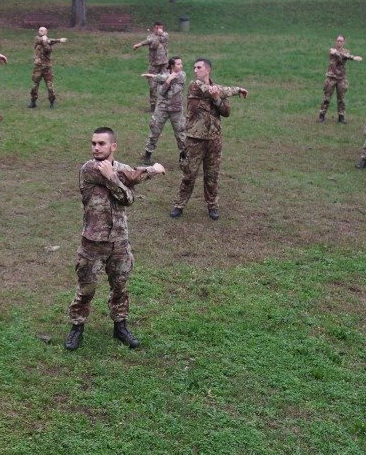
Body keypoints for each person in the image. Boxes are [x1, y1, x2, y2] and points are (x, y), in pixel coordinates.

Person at [65, 127, 166, 352]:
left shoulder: (118, 169)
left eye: (101, 143)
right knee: (87, 289)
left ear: (113, 146)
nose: (96, 148)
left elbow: (129, 183)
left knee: (120, 286)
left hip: (119, 241)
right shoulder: (90, 168)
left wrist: (122, 178)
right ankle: (76, 327)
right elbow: (128, 188)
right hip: (93, 243)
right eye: (93, 143)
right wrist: (152, 170)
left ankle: (120, 327)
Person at [171, 58, 247, 221]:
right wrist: (237, 89)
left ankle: (212, 205)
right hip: (195, 139)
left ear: (208, 70)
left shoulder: (217, 90)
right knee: (189, 175)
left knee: (212, 175)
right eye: (194, 67)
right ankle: (179, 205)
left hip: (214, 139)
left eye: (199, 67)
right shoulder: (194, 85)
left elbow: (226, 111)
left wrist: (218, 99)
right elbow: (211, 91)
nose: (195, 70)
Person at [142, 56, 185, 164]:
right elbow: (161, 82)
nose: (181, 66)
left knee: (181, 133)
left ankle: (183, 156)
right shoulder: (166, 75)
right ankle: (147, 154)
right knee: (154, 131)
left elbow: (168, 92)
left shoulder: (182, 75)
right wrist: (157, 77)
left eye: (181, 64)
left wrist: (166, 81)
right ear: (171, 66)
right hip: (162, 109)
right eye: (178, 64)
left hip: (176, 109)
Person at [317, 35, 363, 123]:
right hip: (331, 77)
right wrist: (353, 58)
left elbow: (343, 57)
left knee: (341, 99)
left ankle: (341, 117)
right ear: (335, 41)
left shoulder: (346, 51)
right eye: (338, 41)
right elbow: (339, 55)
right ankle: (321, 115)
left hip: (341, 78)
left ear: (344, 42)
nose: (339, 42)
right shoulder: (332, 50)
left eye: (341, 41)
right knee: (326, 98)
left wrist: (348, 56)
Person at [131, 21, 170, 109]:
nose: (159, 30)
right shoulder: (151, 37)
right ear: (154, 28)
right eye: (157, 28)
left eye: (161, 28)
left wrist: (161, 34)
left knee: (166, 83)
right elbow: (149, 41)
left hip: (164, 64)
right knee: (153, 86)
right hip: (154, 65)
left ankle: (166, 105)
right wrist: (139, 44)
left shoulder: (165, 35)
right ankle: (153, 106)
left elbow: (165, 38)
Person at [28, 26, 68, 108]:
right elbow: (43, 42)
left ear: (46, 32)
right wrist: (46, 40)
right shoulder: (37, 39)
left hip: (47, 68)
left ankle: (52, 102)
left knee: (50, 86)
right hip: (38, 67)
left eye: (42, 31)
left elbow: (48, 49)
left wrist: (59, 40)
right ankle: (33, 102)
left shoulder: (47, 41)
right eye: (39, 30)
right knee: (34, 85)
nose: (40, 32)